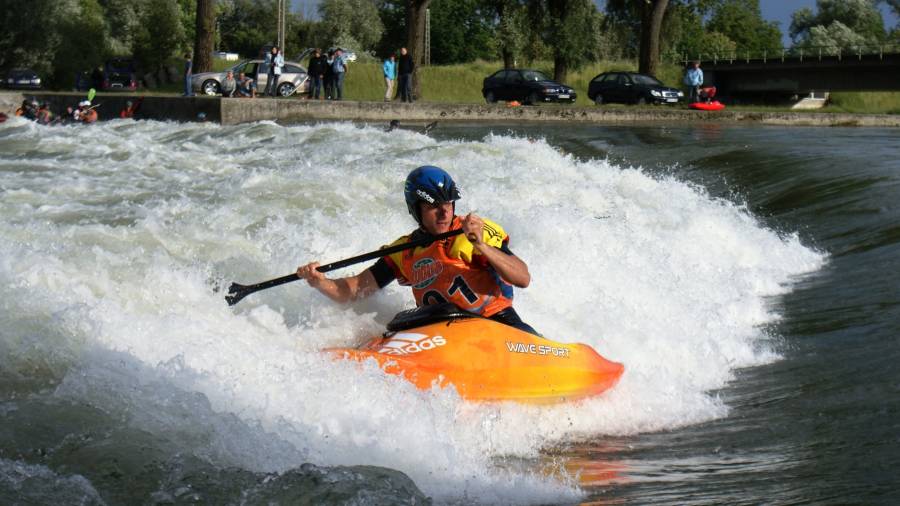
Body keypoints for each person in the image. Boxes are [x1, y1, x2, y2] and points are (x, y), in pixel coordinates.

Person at [296, 165, 538, 335]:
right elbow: (354, 290)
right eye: (433, 206)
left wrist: (481, 246)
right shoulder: (403, 252)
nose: (444, 212)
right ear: (416, 209)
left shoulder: (473, 233)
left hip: (494, 322)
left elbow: (522, 277)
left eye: (448, 203)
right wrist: (319, 282)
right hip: (439, 333)